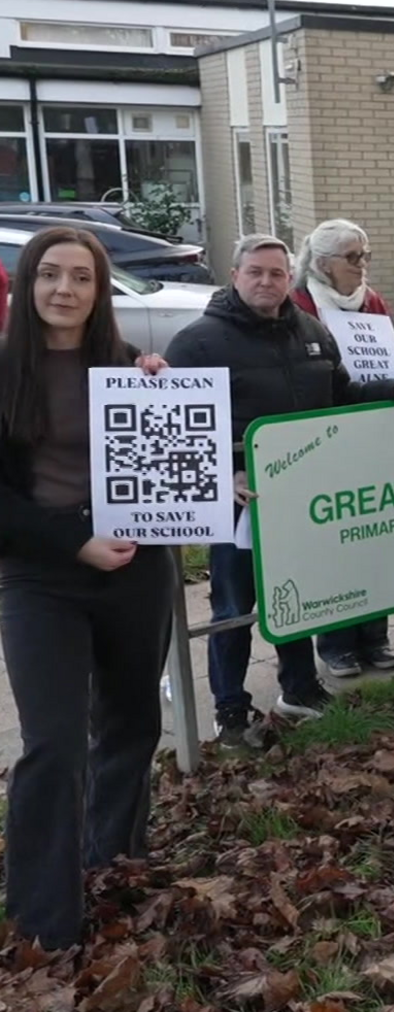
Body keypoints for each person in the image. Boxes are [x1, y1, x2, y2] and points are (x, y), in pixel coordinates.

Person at [164, 235, 394, 744]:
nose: (266, 282)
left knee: (302, 595)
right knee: (233, 609)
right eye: (256, 272)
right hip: (240, 503)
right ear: (235, 275)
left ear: (291, 277)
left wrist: (390, 389)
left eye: (277, 273)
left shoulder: (311, 331)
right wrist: (225, 476)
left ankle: (299, 688)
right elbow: (175, 430)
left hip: (301, 498)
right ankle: (231, 708)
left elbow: (340, 393)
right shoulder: (196, 343)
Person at [0, 228, 176, 950]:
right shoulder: (3, 371)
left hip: (134, 567)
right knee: (53, 741)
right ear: (27, 284)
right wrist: (75, 543)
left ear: (101, 292)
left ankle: (115, 861)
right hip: (41, 574)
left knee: (133, 723)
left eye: (81, 277)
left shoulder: (132, 367)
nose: (64, 290)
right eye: (50, 275)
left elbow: (167, 467)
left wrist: (202, 465)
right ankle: (44, 921)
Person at [289, 218, 394, 678]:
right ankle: (336, 642)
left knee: (373, 536)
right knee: (337, 539)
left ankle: (375, 635)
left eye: (365, 255)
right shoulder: (298, 306)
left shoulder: (372, 301)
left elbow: (388, 353)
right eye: (353, 258)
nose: (363, 266)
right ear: (321, 264)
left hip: (371, 426)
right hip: (326, 431)